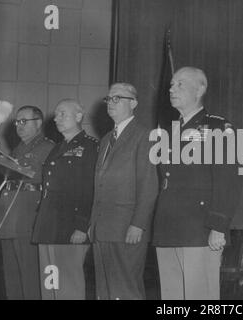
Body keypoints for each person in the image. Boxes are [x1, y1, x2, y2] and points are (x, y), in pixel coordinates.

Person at [152, 66, 240, 300]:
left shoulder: (218, 127)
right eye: (171, 84)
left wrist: (218, 226)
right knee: (171, 299)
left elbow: (227, 181)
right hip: (168, 228)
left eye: (180, 83)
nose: (172, 89)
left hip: (199, 229)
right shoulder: (170, 131)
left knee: (199, 297)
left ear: (200, 88)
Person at [89, 82, 158, 300]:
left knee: (125, 289)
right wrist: (93, 223)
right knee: (104, 290)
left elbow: (149, 185)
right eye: (109, 99)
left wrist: (138, 223)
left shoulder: (144, 136)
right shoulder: (106, 139)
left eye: (117, 98)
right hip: (103, 228)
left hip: (126, 227)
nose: (111, 103)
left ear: (134, 103)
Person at [31, 99, 98, 300]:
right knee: (50, 284)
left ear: (79, 116)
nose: (57, 119)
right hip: (48, 225)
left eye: (63, 114)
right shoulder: (57, 147)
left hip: (70, 226)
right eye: (56, 114)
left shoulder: (91, 146)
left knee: (68, 286)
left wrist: (82, 225)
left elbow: (91, 188)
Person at [0, 105, 54, 299]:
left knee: (29, 273)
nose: (19, 125)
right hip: (9, 216)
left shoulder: (46, 146)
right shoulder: (18, 148)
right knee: (11, 274)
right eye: (17, 121)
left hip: (26, 217)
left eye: (24, 121)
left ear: (38, 123)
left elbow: (36, 175)